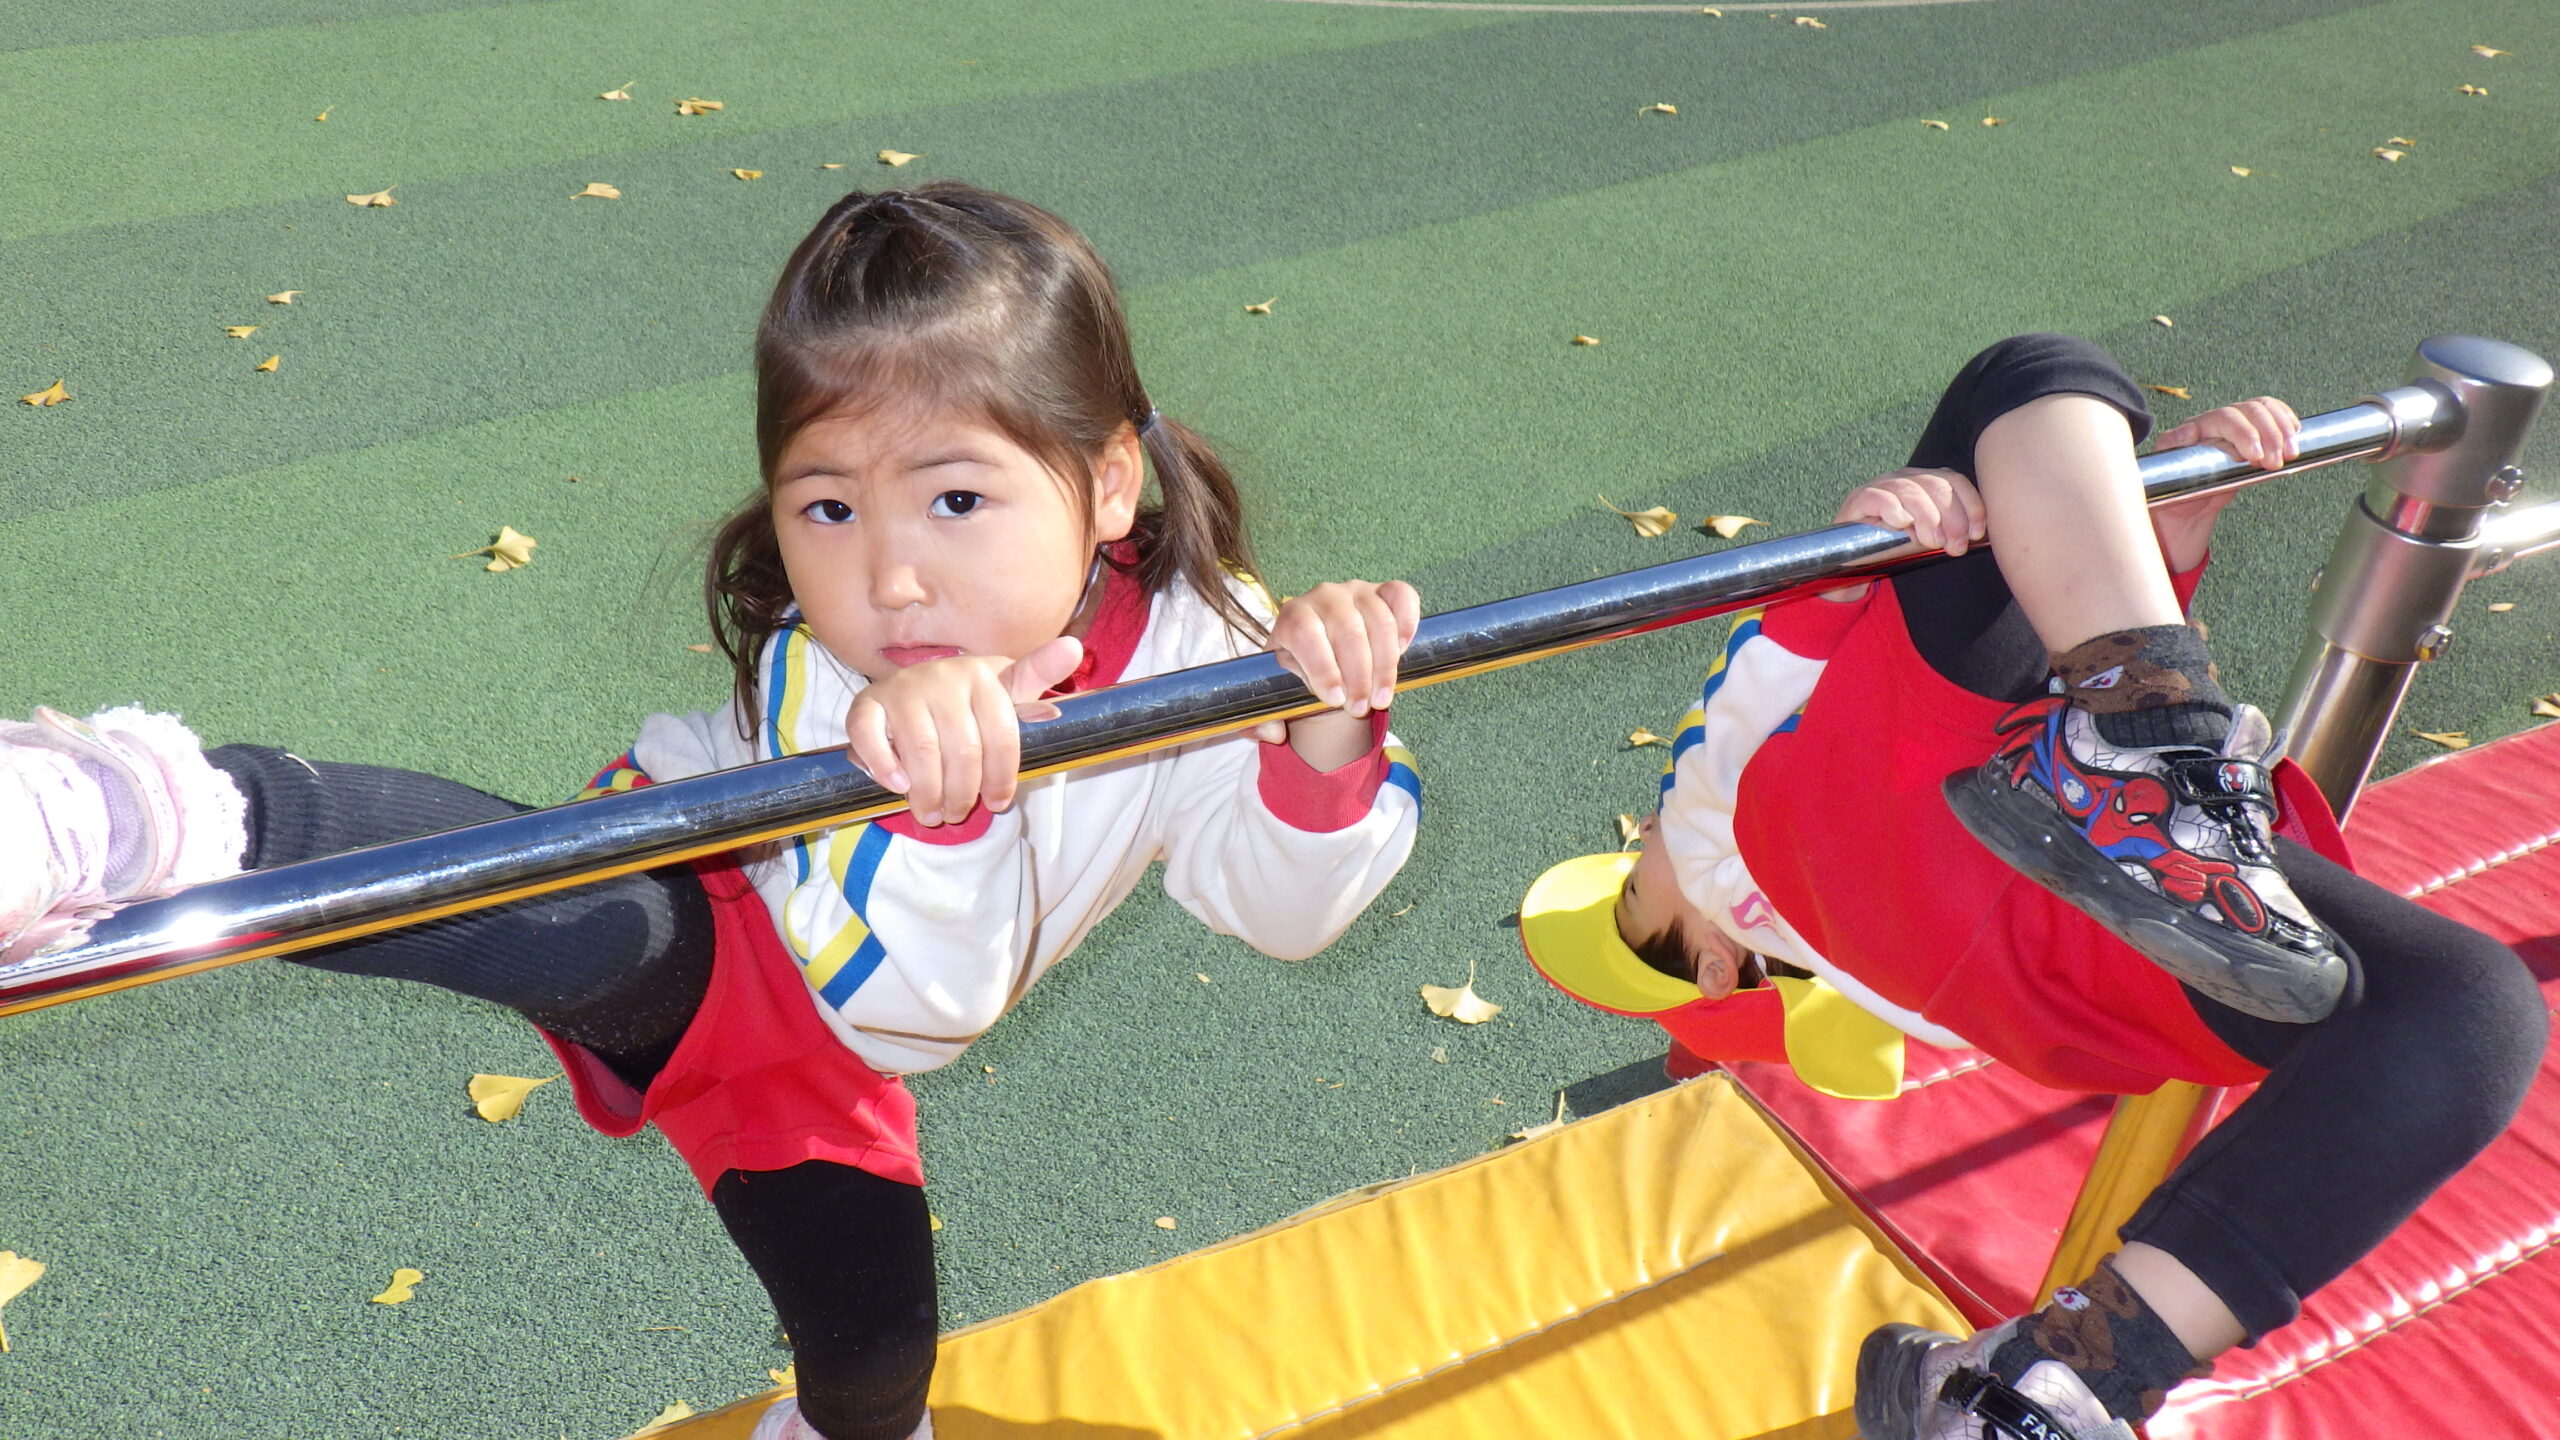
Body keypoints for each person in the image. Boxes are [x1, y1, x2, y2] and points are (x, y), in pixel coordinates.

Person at [0, 183, 1426, 1440]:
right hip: (731, 907)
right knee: (560, 914)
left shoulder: (1203, 641)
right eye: (828, 511)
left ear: (1109, 482)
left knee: (877, 1366)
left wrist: (1324, 728)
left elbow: (1280, 912)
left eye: (955, 501)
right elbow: (914, 1006)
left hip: (829, 1067)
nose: (891, 579)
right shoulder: (835, 686)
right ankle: (117, 811)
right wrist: (934, 802)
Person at [1518, 335, 2544, 1439]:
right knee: (2026, 381)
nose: (1643, 846)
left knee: (2467, 1010)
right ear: (1720, 962)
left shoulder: (1922, 993)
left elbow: (2052, 650)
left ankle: (2051, 1385)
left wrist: (2159, 542)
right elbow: (1759, 681)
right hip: (1928, 818)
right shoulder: (1724, 839)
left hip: (2077, 945)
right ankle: (2156, 742)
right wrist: (1846, 563)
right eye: (1635, 896)